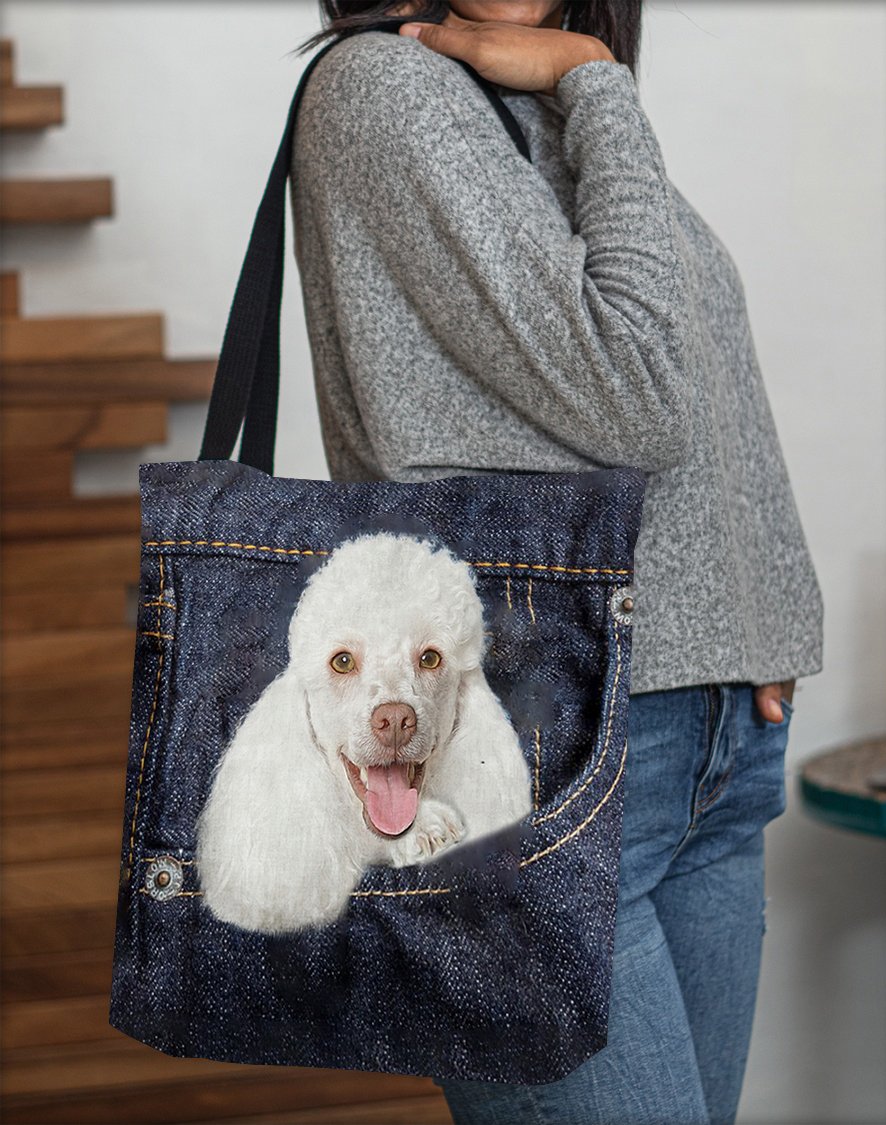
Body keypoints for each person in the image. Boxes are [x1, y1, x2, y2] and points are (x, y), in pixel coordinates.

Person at [287, 2, 824, 1122]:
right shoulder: (388, 90)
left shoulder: (534, 97)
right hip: (544, 761)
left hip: (706, 750)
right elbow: (641, 390)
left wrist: (754, 628)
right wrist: (598, 77)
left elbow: (703, 367)